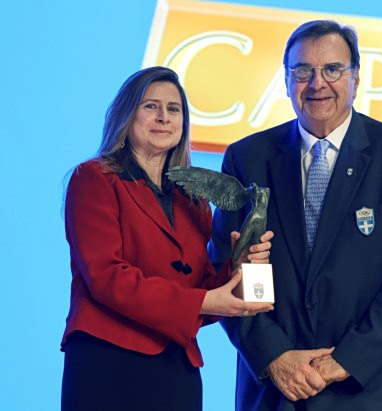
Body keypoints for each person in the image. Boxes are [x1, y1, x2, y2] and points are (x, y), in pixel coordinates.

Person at [209, 20, 382, 411]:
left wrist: (348, 359)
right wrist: (273, 355)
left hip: (374, 390)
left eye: (332, 69)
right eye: (303, 71)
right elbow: (225, 266)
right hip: (279, 392)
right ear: (287, 81)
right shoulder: (247, 157)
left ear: (356, 78)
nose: (317, 83)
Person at [60, 66, 274, 411]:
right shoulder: (94, 179)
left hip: (177, 366)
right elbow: (106, 277)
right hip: (109, 362)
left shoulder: (193, 200)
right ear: (127, 115)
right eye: (151, 106)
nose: (163, 117)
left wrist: (238, 268)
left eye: (173, 109)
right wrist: (204, 302)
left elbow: (199, 286)